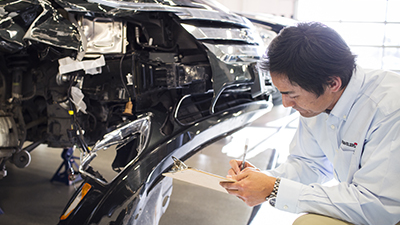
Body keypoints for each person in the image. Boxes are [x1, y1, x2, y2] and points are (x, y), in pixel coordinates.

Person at [219, 22, 400, 225]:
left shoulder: (390, 109)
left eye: (292, 94)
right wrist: (262, 179)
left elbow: (377, 206)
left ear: (333, 83)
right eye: (282, 93)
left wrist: (274, 188)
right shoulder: (317, 104)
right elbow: (310, 164)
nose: (286, 104)